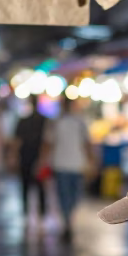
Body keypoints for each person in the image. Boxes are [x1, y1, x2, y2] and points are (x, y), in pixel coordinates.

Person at [50, 97, 91, 240]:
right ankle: (68, 221)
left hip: (64, 164)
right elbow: (87, 145)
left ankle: (67, 220)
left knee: (67, 196)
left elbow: (49, 144)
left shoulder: (60, 123)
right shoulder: (71, 122)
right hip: (73, 164)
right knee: (72, 195)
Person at [13, 96, 47, 221]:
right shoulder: (44, 121)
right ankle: (41, 212)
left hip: (26, 156)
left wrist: (14, 156)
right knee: (40, 186)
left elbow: (17, 141)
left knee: (25, 185)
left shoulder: (23, 121)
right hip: (38, 157)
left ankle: (26, 211)